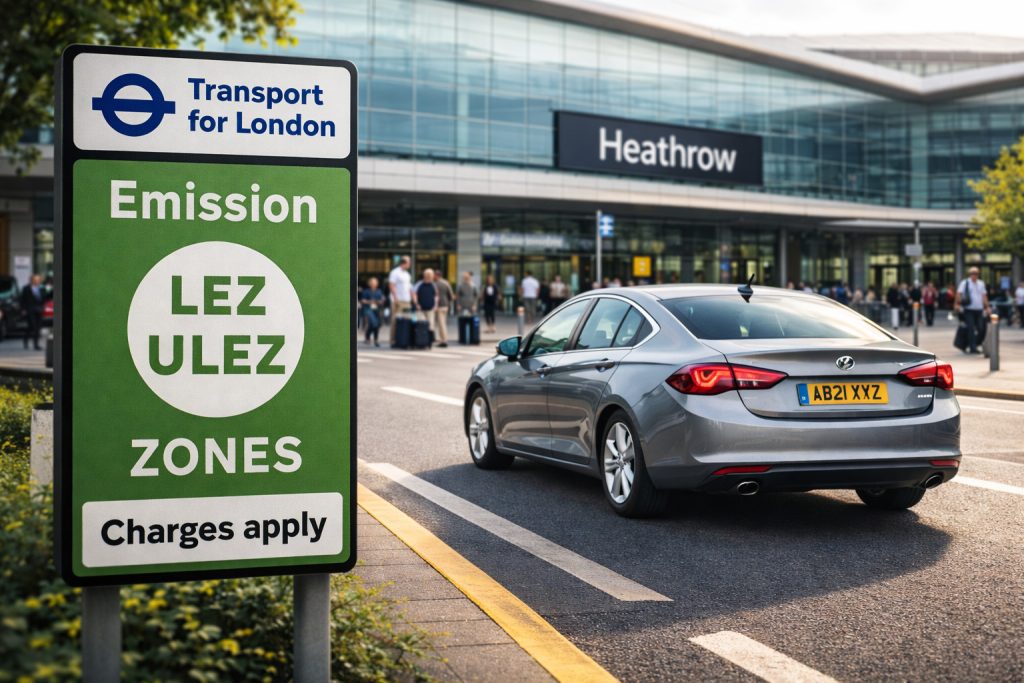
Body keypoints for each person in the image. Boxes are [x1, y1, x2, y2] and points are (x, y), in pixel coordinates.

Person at [955, 267, 991, 354]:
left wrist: (987, 307)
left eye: (976, 273)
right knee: (970, 328)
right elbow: (958, 294)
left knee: (981, 328)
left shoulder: (981, 283)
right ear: (970, 274)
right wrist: (957, 305)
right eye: (972, 273)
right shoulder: (965, 283)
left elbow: (984, 296)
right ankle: (972, 347)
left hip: (979, 309)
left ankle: (975, 343)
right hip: (968, 310)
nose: (974, 275)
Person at [388, 256, 413, 344]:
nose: (410, 264)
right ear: (404, 263)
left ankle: (403, 338)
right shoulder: (395, 272)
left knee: (407, 319)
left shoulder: (407, 274)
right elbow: (392, 285)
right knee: (395, 320)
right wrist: (395, 298)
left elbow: (409, 287)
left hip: (407, 300)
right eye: (409, 263)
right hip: (398, 300)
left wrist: (412, 298)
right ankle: (393, 339)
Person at [413, 268, 439, 339]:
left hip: (430, 308)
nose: (430, 277)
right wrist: (416, 304)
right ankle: (422, 339)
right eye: (429, 275)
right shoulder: (419, 284)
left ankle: (429, 340)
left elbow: (436, 296)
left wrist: (435, 305)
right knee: (422, 324)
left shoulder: (433, 285)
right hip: (420, 308)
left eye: (431, 275)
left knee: (431, 325)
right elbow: (414, 294)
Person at [20, 274, 44, 350]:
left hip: (39, 310)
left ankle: (35, 344)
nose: (36, 281)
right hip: (30, 310)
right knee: (33, 327)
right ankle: (31, 342)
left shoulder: (42, 289)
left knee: (37, 327)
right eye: (35, 280)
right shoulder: (26, 288)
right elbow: (22, 300)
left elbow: (44, 298)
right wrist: (23, 309)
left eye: (38, 280)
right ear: (31, 280)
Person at [360, 277, 385, 346]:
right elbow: (362, 300)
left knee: (375, 324)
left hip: (377, 309)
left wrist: (380, 301)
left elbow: (382, 300)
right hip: (368, 309)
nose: (374, 284)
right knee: (374, 323)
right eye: (372, 283)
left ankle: (368, 337)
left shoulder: (379, 291)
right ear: (370, 284)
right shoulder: (366, 291)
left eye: (375, 283)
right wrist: (370, 301)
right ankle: (375, 340)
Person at [433, 270, 454, 348]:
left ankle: (443, 340)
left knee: (441, 324)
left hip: (439, 306)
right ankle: (443, 339)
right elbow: (451, 296)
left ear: (437, 275)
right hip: (445, 305)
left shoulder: (435, 284)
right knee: (442, 323)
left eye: (434, 275)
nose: (433, 277)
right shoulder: (446, 283)